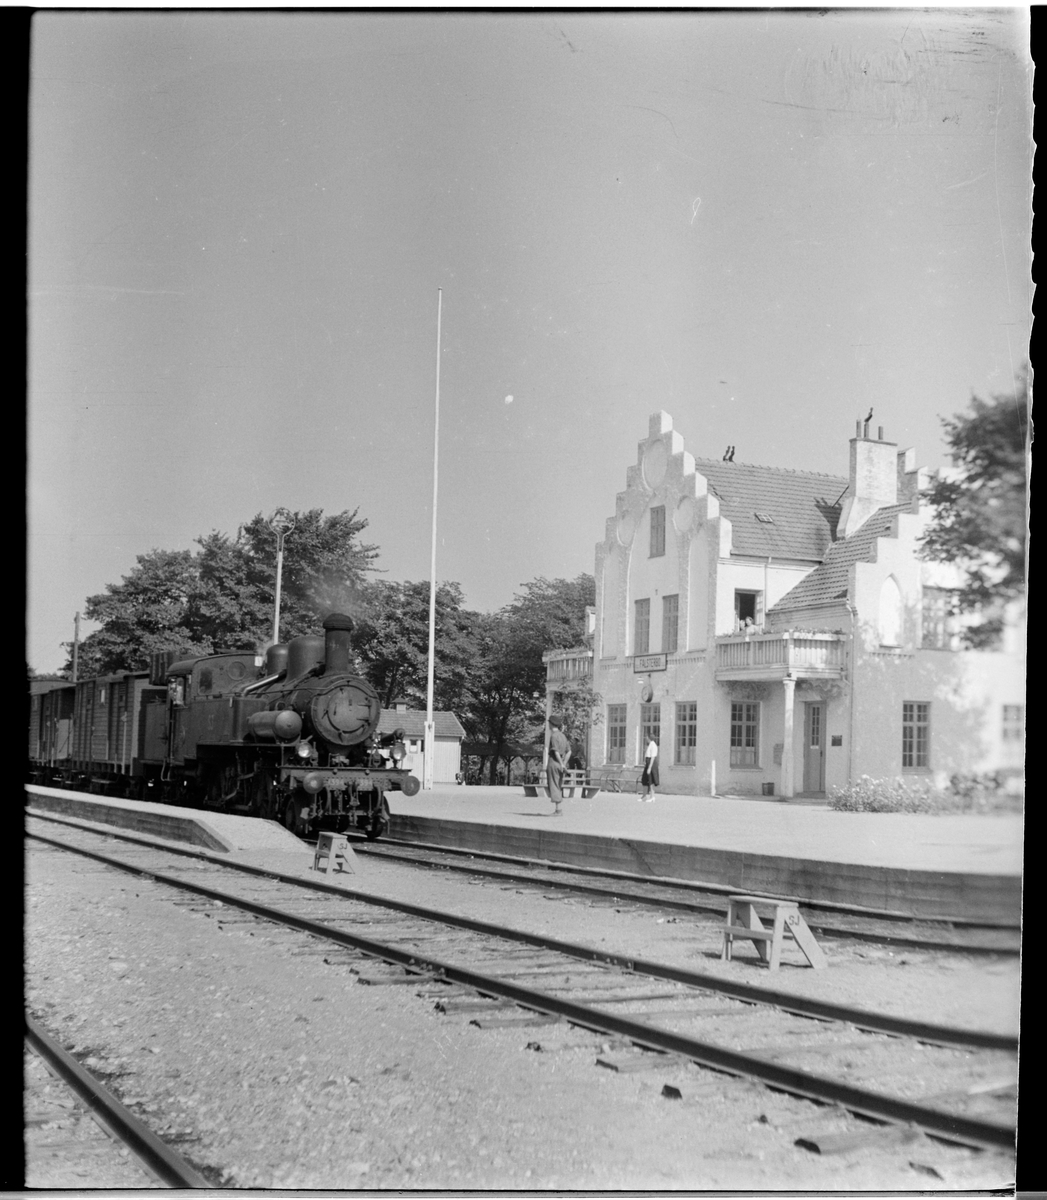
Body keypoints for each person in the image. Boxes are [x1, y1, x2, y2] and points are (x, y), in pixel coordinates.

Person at [547, 716, 571, 814]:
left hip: (554, 762)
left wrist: (561, 763)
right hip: (560, 763)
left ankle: (558, 810)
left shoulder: (554, 736)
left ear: (551, 724)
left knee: (553, 785)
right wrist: (564, 763)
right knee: (558, 784)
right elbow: (569, 751)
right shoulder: (563, 736)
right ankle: (558, 808)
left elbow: (555, 751)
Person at [641, 734, 659, 802]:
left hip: (652, 764)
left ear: (649, 738)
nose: (646, 739)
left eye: (646, 737)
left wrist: (649, 767)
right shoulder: (650, 745)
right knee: (645, 780)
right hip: (648, 762)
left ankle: (652, 797)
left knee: (651, 781)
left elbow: (653, 757)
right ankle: (644, 796)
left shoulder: (653, 745)